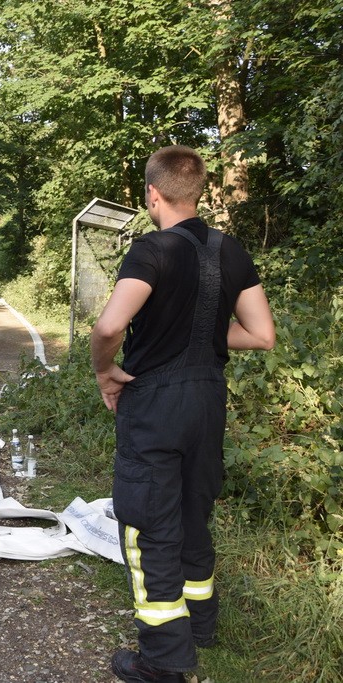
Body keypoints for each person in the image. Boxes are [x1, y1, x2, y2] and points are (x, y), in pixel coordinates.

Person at [90, 146, 275, 682]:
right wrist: (206, 337)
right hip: (207, 399)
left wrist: (106, 372)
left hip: (156, 403)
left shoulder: (152, 250)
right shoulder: (231, 250)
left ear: (154, 193)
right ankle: (200, 625)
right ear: (195, 191)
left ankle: (163, 660)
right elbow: (262, 334)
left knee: (149, 521)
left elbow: (108, 327)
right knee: (194, 511)